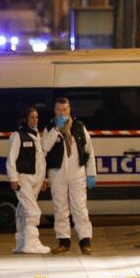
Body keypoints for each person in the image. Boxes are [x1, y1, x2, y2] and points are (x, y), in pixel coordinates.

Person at [42, 97, 97, 255]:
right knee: (60, 209)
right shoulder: (50, 127)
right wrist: (56, 130)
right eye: (59, 110)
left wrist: (91, 174)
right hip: (57, 173)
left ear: (70, 110)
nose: (62, 113)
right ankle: (64, 242)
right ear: (55, 111)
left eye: (65, 110)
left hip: (77, 173)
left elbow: (89, 151)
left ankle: (85, 241)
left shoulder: (79, 127)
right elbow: (44, 147)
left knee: (80, 207)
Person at [6, 107, 50, 255]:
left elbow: (41, 160)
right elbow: (11, 159)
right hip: (23, 179)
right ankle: (32, 243)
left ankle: (21, 243)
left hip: (36, 180)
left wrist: (44, 178)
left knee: (22, 210)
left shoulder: (37, 134)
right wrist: (13, 178)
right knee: (32, 211)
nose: (35, 120)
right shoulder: (17, 135)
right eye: (32, 117)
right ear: (25, 119)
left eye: (36, 117)